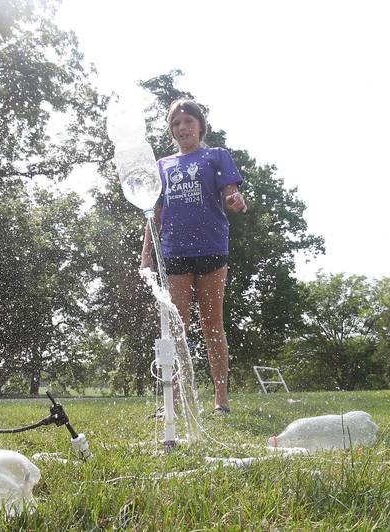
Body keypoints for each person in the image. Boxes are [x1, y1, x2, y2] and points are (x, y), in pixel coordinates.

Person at [140, 99, 247, 415]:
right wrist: (146, 254)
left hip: (212, 248)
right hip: (174, 252)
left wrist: (236, 199)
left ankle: (221, 400)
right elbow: (154, 213)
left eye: (187, 121)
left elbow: (231, 194)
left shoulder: (216, 156)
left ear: (200, 126)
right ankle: (172, 401)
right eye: (176, 124)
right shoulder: (163, 165)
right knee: (176, 326)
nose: (182, 128)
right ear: (171, 131)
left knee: (213, 323)